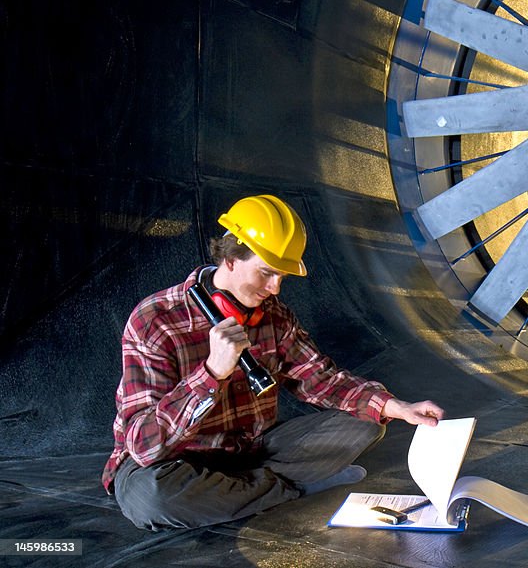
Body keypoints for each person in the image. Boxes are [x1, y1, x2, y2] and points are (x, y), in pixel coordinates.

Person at [101, 194, 444, 530]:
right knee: (149, 499)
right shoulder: (155, 320)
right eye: (266, 273)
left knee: (367, 423)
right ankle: (288, 489)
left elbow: (321, 379)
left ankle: (243, 490)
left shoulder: (274, 317)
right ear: (231, 259)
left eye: (282, 276)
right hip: (175, 462)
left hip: (248, 451)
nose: (276, 288)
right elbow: (143, 445)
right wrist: (211, 373)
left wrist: (395, 405)